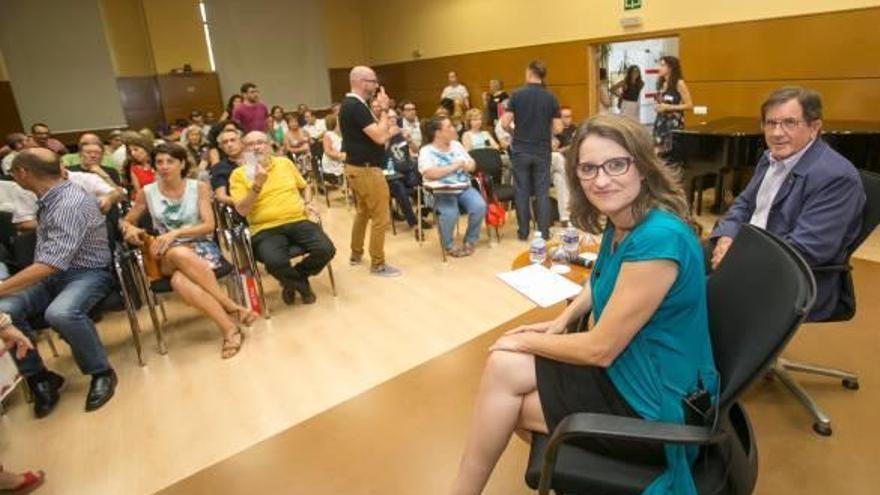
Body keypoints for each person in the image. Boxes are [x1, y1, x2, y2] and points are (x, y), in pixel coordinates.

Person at [450, 114, 717, 495]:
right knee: (503, 373)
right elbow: (600, 277)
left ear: (642, 165)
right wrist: (562, 320)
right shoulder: (626, 217)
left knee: (505, 394)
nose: (602, 180)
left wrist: (524, 341)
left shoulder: (658, 240)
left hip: (657, 404)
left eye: (616, 164)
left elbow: (599, 349)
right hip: (636, 366)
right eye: (589, 169)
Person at [710, 87, 865, 320]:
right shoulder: (771, 157)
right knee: (677, 268)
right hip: (750, 250)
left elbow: (807, 249)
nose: (776, 133)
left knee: (696, 298)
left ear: (814, 128)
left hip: (793, 277)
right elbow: (743, 203)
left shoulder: (836, 177)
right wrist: (726, 237)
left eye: (789, 123)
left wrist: (738, 257)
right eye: (770, 123)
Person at [0, 149, 118, 418]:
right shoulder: (49, 198)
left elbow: (50, 263)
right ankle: (40, 377)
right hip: (51, 277)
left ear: (24, 174)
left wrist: (3, 285)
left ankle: (101, 372)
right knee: (7, 310)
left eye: (13, 174)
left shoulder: (69, 202)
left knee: (60, 312)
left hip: (87, 274)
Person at [121, 143, 256, 359]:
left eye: (170, 161)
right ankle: (230, 305)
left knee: (179, 282)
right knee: (177, 253)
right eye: (159, 162)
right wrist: (130, 228)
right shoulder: (147, 192)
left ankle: (230, 329)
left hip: (200, 247)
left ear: (182, 163)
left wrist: (176, 234)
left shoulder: (198, 187)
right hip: (165, 254)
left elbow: (209, 226)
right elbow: (126, 221)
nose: (164, 166)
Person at [230, 132, 336, 305]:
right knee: (275, 262)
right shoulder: (240, 174)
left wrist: (308, 202)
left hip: (297, 220)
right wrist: (257, 184)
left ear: (269, 144)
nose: (256, 147)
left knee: (326, 249)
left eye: (260, 142)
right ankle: (302, 287)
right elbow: (241, 211)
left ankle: (293, 280)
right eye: (250, 145)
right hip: (264, 228)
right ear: (244, 148)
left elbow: (305, 186)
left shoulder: (284, 163)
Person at [339, 66, 401, 277]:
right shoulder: (355, 106)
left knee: (364, 212)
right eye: (373, 81)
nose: (376, 86)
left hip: (357, 168)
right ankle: (378, 263)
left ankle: (356, 254)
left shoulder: (352, 105)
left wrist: (385, 130)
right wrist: (384, 110)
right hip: (366, 170)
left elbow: (376, 136)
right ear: (362, 82)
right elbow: (379, 137)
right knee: (381, 217)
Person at [501, 60, 561, 240]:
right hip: (542, 150)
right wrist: (544, 130)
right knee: (542, 192)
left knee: (521, 191)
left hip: (521, 149)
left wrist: (514, 131)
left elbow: (504, 123)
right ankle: (544, 232)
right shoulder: (550, 97)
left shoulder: (517, 95)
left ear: (529, 73)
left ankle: (523, 232)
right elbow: (558, 128)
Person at [419, 116, 487, 257]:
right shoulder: (426, 151)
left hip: (463, 186)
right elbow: (430, 173)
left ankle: (470, 240)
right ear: (438, 133)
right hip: (441, 191)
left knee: (479, 206)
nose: (453, 129)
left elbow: (471, 163)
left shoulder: (456, 145)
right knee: (450, 213)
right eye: (449, 126)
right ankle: (448, 245)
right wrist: (455, 165)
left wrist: (469, 166)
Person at [385, 109, 425, 232]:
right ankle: (413, 223)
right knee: (398, 187)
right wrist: (388, 136)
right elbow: (380, 153)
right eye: (389, 117)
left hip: (407, 170)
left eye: (394, 117)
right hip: (392, 174)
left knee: (422, 180)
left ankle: (422, 214)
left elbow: (416, 150)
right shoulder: (380, 135)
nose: (393, 119)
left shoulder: (403, 133)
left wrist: (409, 140)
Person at [653, 56, 693, 163]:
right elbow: (661, 101)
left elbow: (689, 105)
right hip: (660, 122)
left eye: (662, 65)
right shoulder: (661, 83)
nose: (659, 68)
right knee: (658, 153)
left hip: (673, 123)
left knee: (671, 155)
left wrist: (669, 107)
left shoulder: (679, 83)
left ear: (670, 68)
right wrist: (658, 106)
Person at [209, 128, 244, 206]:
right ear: (221, 147)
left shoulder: (254, 159)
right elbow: (221, 196)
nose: (229, 144)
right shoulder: (219, 168)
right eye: (225, 142)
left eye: (233, 140)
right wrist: (245, 203)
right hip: (240, 207)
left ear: (242, 142)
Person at [122, 131, 155, 200]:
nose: (133, 153)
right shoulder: (134, 168)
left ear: (146, 148)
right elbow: (138, 191)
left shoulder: (158, 162)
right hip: (144, 200)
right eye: (130, 151)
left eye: (136, 149)